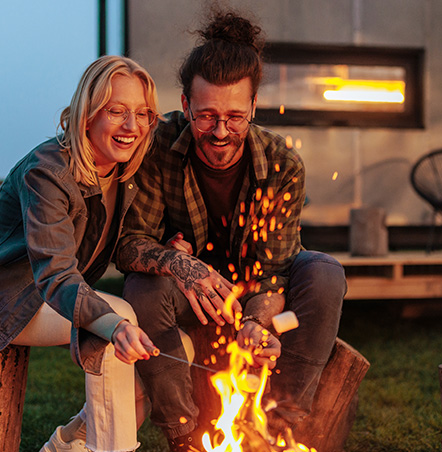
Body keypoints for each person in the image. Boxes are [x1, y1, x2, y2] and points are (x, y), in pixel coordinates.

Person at [115, 10, 346, 452]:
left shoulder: (282, 163)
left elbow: (275, 270)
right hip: (188, 298)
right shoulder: (157, 143)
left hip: (260, 297)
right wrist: (179, 263)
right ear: (185, 105)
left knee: (324, 272)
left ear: (254, 107)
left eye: (236, 117)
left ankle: (281, 430)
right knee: (143, 288)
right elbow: (128, 244)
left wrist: (258, 322)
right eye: (205, 117)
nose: (220, 132)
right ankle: (183, 437)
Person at [0, 55, 159, 452]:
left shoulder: (123, 172)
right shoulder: (47, 171)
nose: (132, 126)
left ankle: (62, 446)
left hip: (47, 301)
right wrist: (111, 324)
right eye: (117, 111)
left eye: (142, 113)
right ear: (86, 116)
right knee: (120, 322)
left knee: (143, 380)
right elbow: (56, 273)